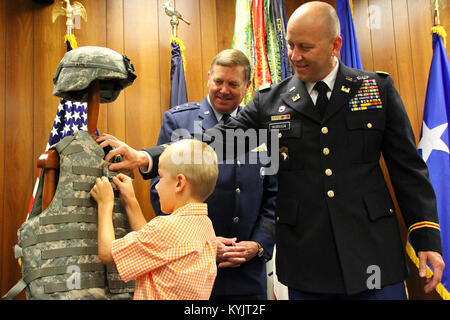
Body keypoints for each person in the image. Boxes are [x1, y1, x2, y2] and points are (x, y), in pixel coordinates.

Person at [98, 1, 445, 300]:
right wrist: (148, 157)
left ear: (335, 45)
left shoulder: (375, 90)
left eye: (305, 47)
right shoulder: (271, 101)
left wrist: (427, 235)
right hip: (308, 260)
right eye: (290, 45)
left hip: (372, 252)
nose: (294, 56)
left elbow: (408, 168)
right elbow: (218, 138)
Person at [148, 49, 277, 300]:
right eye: (218, 81)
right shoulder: (179, 122)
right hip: (191, 267)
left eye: (233, 84)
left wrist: (259, 244)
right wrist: (203, 242)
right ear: (208, 78)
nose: (224, 89)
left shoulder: (263, 126)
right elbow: (160, 193)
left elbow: (275, 196)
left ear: (248, 85)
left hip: (248, 272)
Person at [90, 139, 219, 300]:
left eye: (161, 177)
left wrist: (105, 203)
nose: (156, 186)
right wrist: (131, 201)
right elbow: (153, 245)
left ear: (179, 182)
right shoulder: (206, 225)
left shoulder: (166, 228)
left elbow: (108, 253)